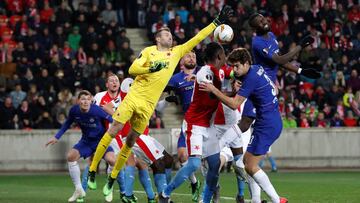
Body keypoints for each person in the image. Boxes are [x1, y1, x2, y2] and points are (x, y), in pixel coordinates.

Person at [87, 5, 235, 197]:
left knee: (131, 141)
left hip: (148, 105)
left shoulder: (176, 52)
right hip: (135, 97)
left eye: (170, 35)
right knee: (114, 127)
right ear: (158, 39)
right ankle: (92, 170)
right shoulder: (149, 52)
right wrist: (151, 68)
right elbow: (133, 69)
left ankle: (112, 177)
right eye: (166, 35)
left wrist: (217, 22)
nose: (170, 37)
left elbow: (197, 38)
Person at [200, 48, 288, 203]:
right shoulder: (255, 69)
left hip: (267, 124)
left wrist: (213, 89)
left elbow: (234, 104)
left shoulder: (251, 78)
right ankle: (257, 200)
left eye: (236, 66)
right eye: (232, 66)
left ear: (246, 63)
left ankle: (276, 200)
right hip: (267, 120)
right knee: (245, 163)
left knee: (251, 166)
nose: (234, 70)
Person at [159, 42, 227, 203]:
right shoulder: (203, 72)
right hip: (194, 123)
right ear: (218, 57)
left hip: (209, 125)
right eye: (223, 55)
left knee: (214, 164)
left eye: (193, 55)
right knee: (194, 163)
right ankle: (165, 194)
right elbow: (214, 93)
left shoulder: (214, 72)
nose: (226, 58)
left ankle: (211, 192)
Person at [45, 90, 116, 202]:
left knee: (112, 161)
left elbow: (113, 120)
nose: (85, 101)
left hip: (101, 142)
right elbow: (67, 123)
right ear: (78, 101)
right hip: (86, 142)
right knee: (70, 156)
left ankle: (109, 187)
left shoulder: (97, 110)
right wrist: (57, 137)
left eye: (88, 99)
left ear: (91, 100)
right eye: (83, 99)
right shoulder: (74, 110)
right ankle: (78, 189)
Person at [157, 51, 201, 201]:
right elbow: (159, 101)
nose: (192, 58)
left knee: (209, 162)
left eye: (194, 56)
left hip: (207, 122)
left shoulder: (204, 72)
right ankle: (195, 182)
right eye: (188, 56)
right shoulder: (175, 79)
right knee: (182, 156)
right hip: (189, 122)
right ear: (182, 60)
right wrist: (169, 99)